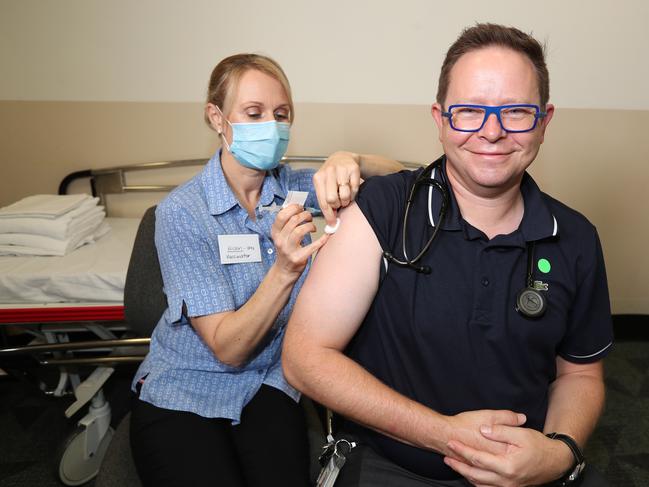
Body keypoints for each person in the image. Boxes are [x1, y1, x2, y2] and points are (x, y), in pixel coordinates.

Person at [282, 24, 613, 487]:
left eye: (516, 112)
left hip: (525, 470)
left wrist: (559, 452)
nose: (492, 131)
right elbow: (304, 357)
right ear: (439, 119)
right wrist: (444, 435)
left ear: (544, 120)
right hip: (392, 465)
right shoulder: (385, 210)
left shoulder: (574, 238)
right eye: (469, 112)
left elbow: (580, 374)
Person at [129, 53, 402, 487]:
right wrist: (284, 270)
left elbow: (404, 179)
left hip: (270, 385)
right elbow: (228, 349)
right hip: (186, 389)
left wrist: (350, 158)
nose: (271, 127)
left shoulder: (293, 187)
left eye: (281, 115)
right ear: (217, 118)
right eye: (254, 113)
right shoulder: (182, 213)